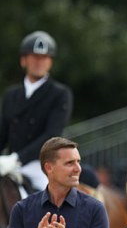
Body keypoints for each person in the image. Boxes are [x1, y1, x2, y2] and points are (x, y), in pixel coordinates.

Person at [0, 31, 73, 191]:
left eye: (44, 58)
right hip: (8, 164)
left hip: (40, 165)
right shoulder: (11, 95)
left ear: (50, 62)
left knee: (50, 201)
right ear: (23, 60)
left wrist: (16, 159)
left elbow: (52, 134)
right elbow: (2, 132)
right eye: (34, 57)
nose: (39, 62)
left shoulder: (60, 94)